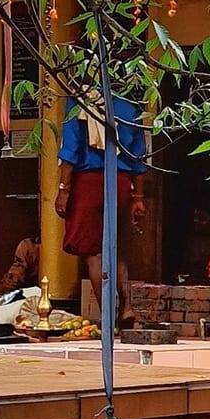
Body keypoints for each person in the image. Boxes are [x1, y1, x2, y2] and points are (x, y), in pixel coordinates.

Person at [55, 91, 146, 328]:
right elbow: (139, 154)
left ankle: (107, 316)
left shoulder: (78, 99)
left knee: (95, 254)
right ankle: (126, 308)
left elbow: (70, 149)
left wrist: (64, 188)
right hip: (122, 181)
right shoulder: (130, 103)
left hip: (89, 182)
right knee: (118, 250)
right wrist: (138, 196)